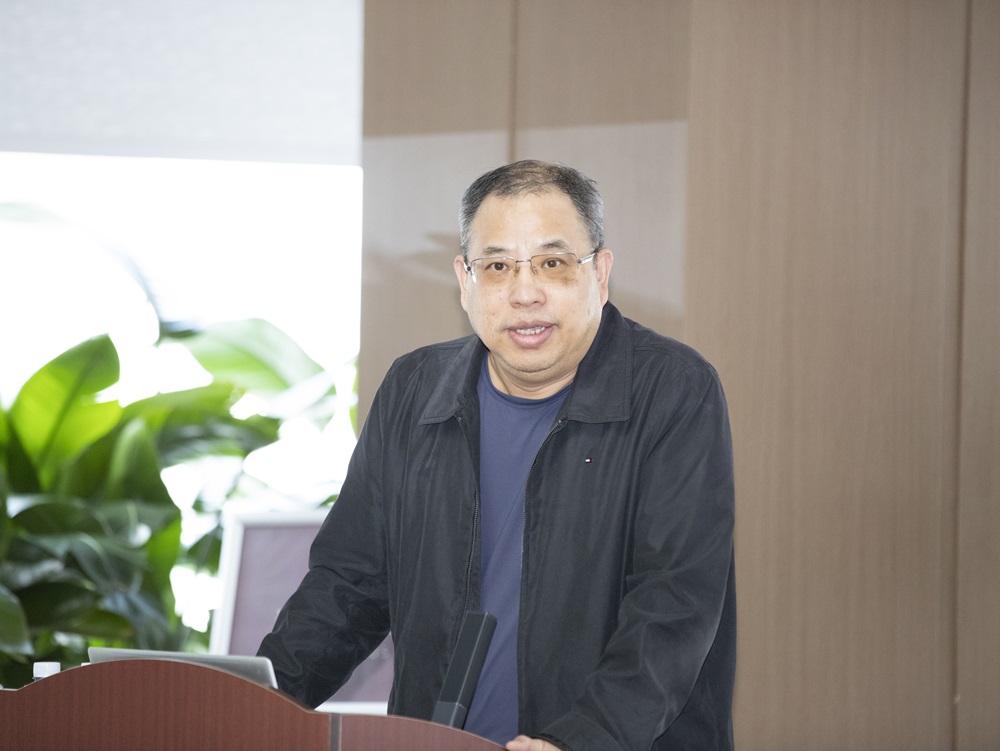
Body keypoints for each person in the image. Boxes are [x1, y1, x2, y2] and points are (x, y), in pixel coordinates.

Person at [258, 160, 736, 751]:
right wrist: (249, 707)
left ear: (600, 273)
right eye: (498, 266)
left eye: (553, 263)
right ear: (465, 281)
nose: (524, 292)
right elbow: (347, 589)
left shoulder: (672, 391)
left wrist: (578, 741)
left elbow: (673, 607)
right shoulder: (414, 390)